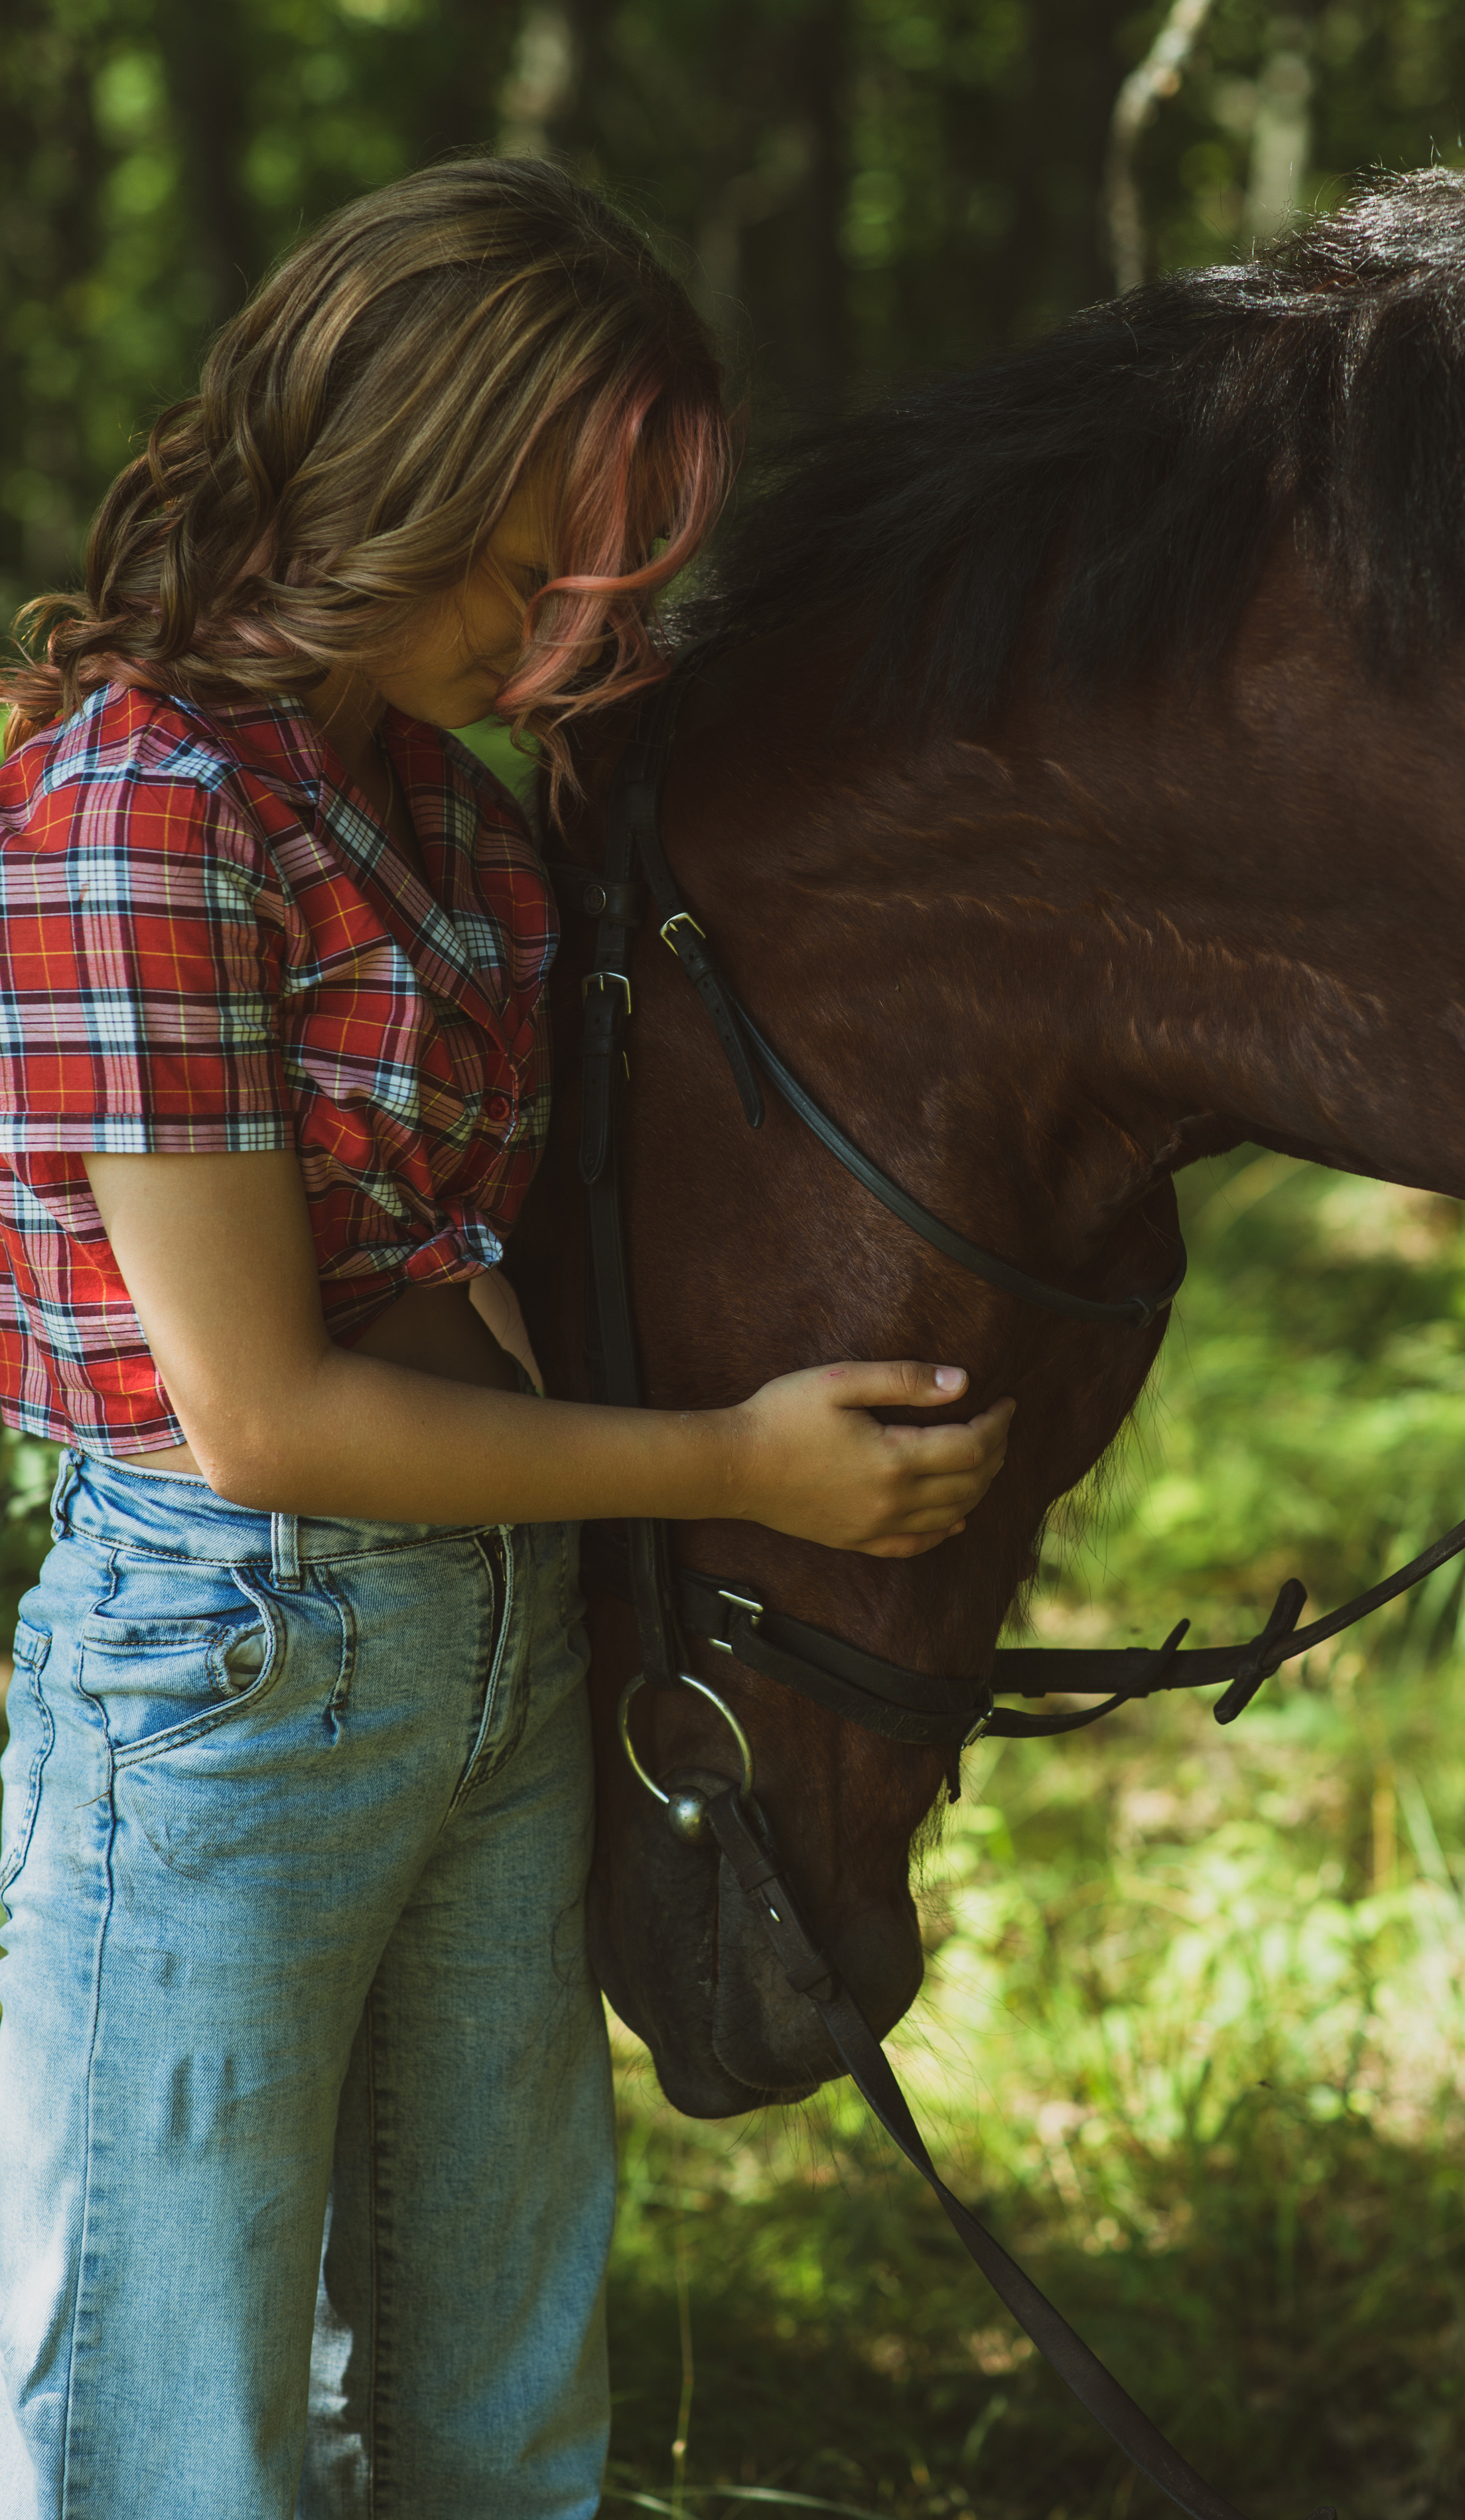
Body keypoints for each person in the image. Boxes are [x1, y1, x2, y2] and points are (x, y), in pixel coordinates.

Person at [0, 159, 1012, 2520]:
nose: (566, 631)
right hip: (233, 1678)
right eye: (529, 564)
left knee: (503, 2400)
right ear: (392, 473)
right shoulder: (139, 815)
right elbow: (258, 1417)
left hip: (495, 1647)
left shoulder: (448, 813)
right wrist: (737, 1468)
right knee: (171, 2422)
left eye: (614, 579)